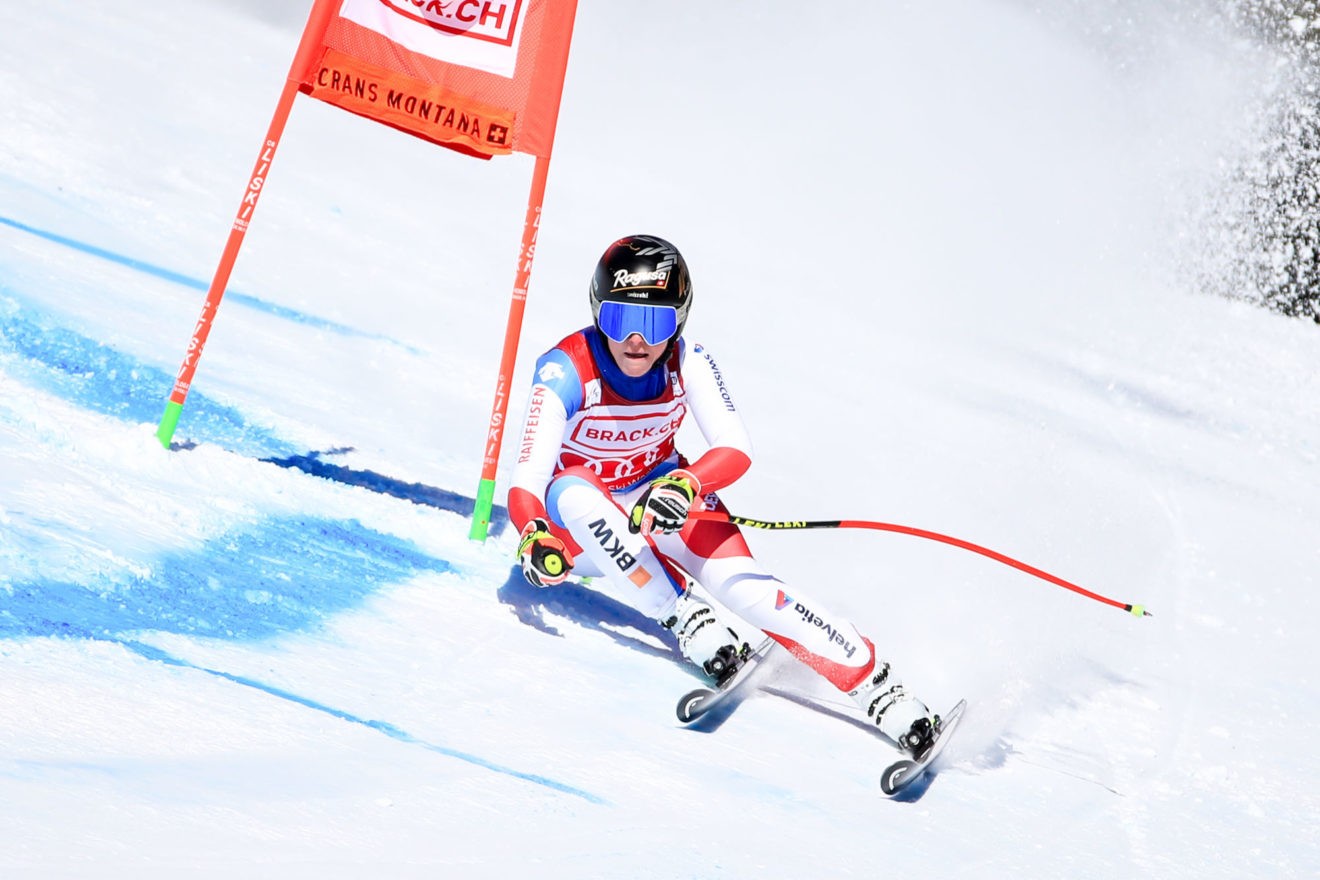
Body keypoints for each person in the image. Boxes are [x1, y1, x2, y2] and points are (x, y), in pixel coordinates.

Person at [507, 234, 941, 757]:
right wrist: (533, 534)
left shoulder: (689, 361)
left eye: (658, 324)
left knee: (744, 587)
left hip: (662, 499)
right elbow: (528, 480)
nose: (638, 343)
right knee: (573, 490)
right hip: (583, 532)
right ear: (598, 314)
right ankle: (687, 618)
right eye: (622, 321)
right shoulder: (565, 371)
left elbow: (735, 448)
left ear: (681, 321)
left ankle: (882, 691)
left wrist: (686, 483)